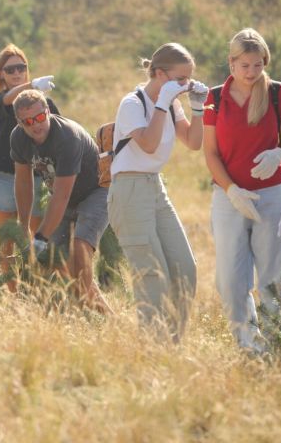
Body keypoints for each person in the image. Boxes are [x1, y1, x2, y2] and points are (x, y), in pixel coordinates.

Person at [107, 43, 207, 342]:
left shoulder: (173, 102)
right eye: (180, 79)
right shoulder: (132, 104)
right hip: (129, 189)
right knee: (152, 276)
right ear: (160, 74)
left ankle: (172, 345)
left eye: (189, 79)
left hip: (154, 186)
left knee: (184, 269)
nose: (185, 85)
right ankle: (154, 349)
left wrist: (197, 108)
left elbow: (193, 141)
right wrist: (162, 104)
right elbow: (148, 144)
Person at [203, 28, 281, 353]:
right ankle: (247, 344)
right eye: (245, 66)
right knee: (230, 281)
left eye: (258, 65)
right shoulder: (214, 99)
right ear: (231, 63)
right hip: (228, 199)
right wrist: (232, 190)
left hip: (273, 197)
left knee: (273, 277)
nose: (252, 73)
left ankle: (274, 344)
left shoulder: (279, 93)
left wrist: (279, 153)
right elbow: (210, 153)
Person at [10, 89, 111, 313]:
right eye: (28, 122)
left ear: (47, 111)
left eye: (39, 117)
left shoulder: (67, 137)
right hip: (64, 199)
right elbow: (23, 183)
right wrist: (23, 224)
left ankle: (96, 315)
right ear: (19, 122)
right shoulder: (18, 138)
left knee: (80, 248)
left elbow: (62, 194)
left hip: (96, 192)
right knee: (59, 260)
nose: (35, 125)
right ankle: (103, 315)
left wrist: (40, 237)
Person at [0, 44, 57, 280]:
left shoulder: (43, 103)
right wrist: (33, 85)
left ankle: (36, 286)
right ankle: (13, 292)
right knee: (9, 239)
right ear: (1, 74)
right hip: (4, 176)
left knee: (38, 237)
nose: (16, 73)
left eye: (21, 67)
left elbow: (60, 130)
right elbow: (7, 100)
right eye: (10, 69)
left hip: (36, 178)